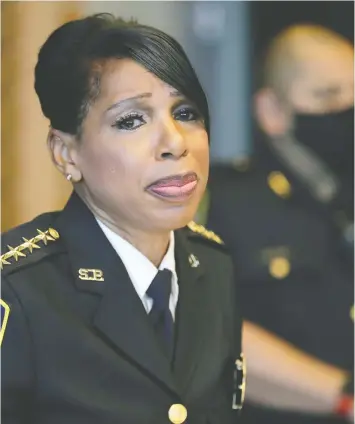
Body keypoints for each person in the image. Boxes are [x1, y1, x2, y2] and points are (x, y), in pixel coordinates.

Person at [1, 14, 245, 424]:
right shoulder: (20, 290)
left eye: (185, 113)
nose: (174, 142)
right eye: (131, 120)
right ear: (66, 154)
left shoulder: (213, 266)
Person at [207, 24, 354, 424]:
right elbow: (207, 336)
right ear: (272, 111)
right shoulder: (220, 201)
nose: (345, 112)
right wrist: (345, 396)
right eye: (327, 96)